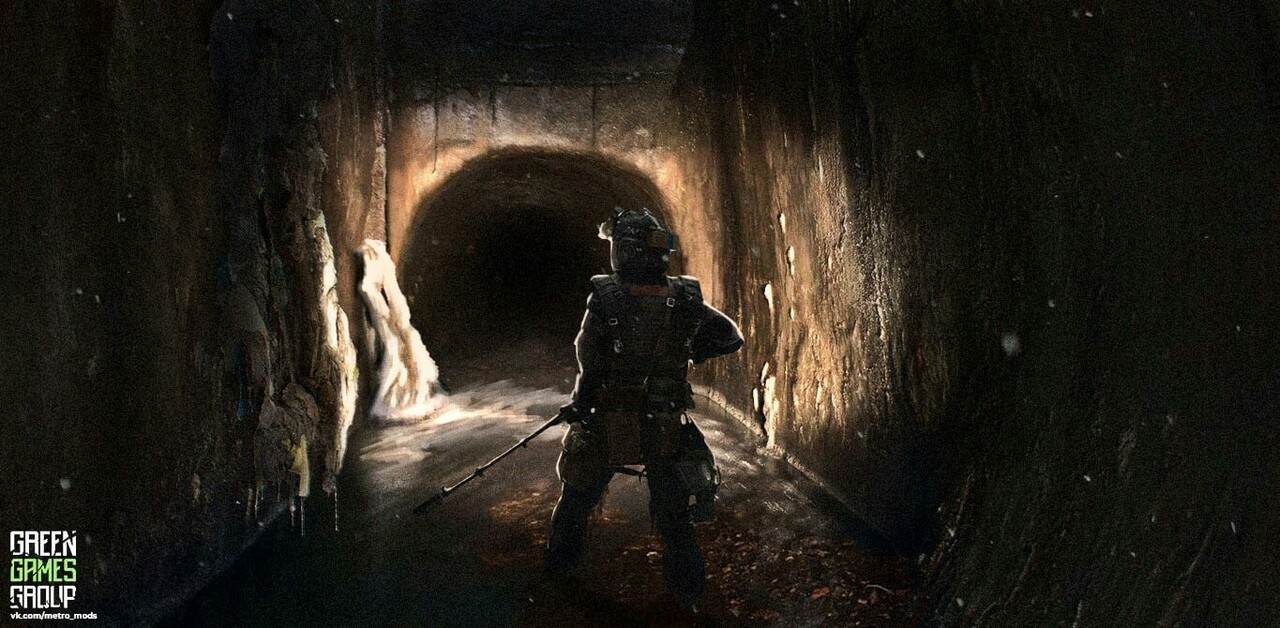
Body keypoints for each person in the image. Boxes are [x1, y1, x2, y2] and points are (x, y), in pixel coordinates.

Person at [545, 207, 744, 612]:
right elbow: (730, 336)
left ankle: (558, 577)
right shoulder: (684, 297)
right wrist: (689, 349)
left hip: (611, 420)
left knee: (577, 498)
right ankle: (687, 598)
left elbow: (590, 358)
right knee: (676, 519)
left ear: (623, 250)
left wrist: (581, 403)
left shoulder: (606, 297)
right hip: (665, 421)